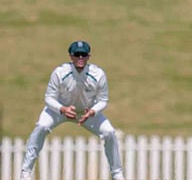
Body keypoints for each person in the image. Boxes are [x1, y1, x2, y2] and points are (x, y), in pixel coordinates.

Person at [20, 40, 125, 180]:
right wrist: (62, 109)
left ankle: (117, 174)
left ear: (89, 56)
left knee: (109, 132)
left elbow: (103, 100)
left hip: (87, 112)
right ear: (70, 56)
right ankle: (25, 172)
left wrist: (93, 111)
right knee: (42, 126)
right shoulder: (60, 72)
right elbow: (49, 98)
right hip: (58, 109)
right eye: (77, 54)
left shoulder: (98, 74)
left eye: (83, 55)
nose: (80, 58)